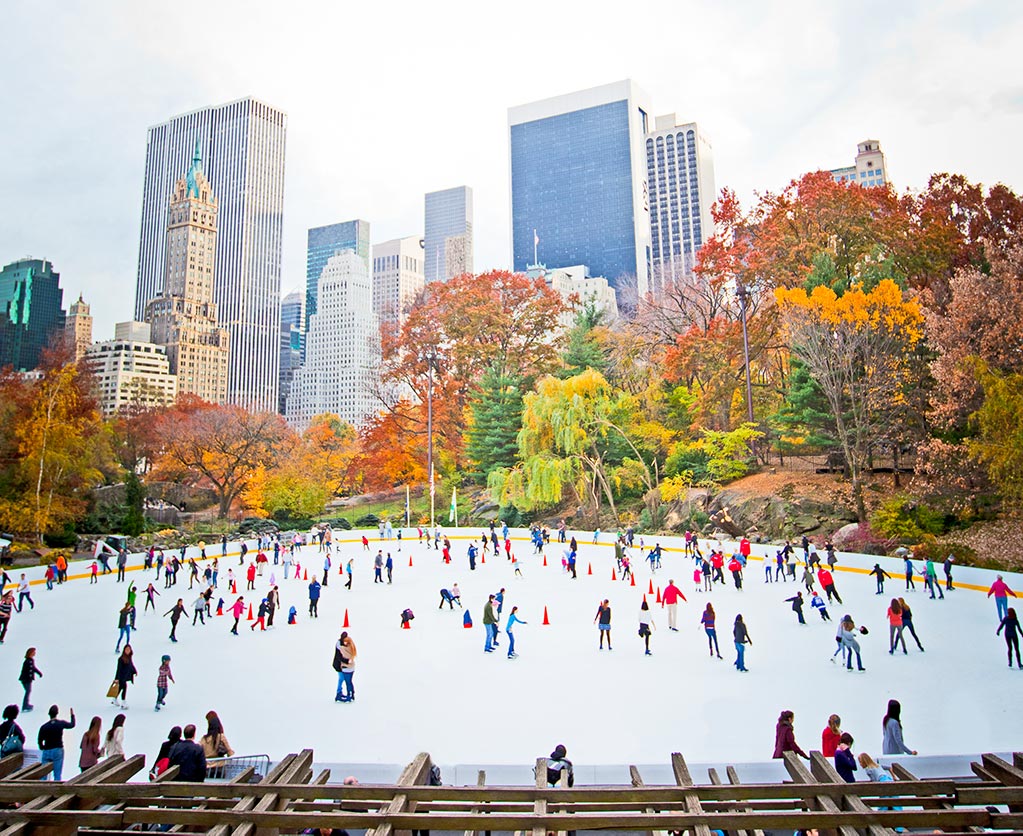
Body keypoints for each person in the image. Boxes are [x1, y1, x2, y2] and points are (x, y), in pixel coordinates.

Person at [38, 704, 76, 780]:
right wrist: (72, 716)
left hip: (47, 750)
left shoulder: (44, 727)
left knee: (43, 774)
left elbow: (40, 740)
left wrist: (42, 747)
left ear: (49, 714)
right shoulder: (60, 724)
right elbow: (72, 725)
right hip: (58, 749)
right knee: (57, 774)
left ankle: (41, 788)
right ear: (57, 713)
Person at [19, 647, 42, 712]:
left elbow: (33, 668)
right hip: (26, 680)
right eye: (34, 652)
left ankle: (26, 704)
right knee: (28, 691)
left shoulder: (31, 660)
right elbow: (27, 670)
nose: (35, 653)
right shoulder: (27, 661)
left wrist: (39, 673)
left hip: (28, 679)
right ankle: (25, 705)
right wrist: (28, 678)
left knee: (28, 691)